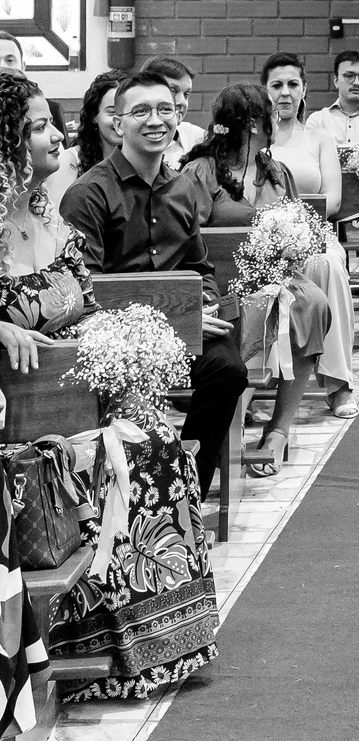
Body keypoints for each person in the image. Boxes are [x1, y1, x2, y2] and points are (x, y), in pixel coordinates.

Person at [0, 74, 219, 701]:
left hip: (76, 390)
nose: (57, 135)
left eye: (52, 122)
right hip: (28, 412)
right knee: (130, 456)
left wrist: (126, 348)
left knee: (157, 445)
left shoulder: (45, 215)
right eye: (38, 126)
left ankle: (155, 646)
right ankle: (91, 645)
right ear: (6, 143)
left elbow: (88, 302)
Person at [59, 69, 248, 502]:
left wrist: (205, 305)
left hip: (184, 334)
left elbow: (200, 267)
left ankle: (188, 490)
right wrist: (177, 321)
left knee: (228, 371)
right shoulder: (88, 193)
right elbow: (86, 289)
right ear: (118, 122)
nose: (156, 120)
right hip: (114, 340)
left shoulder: (181, 187)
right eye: (141, 111)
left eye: (165, 109)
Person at [183, 85, 333, 475]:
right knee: (242, 312)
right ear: (251, 124)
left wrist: (293, 244)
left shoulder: (276, 172)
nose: (274, 122)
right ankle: (227, 423)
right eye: (268, 116)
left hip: (277, 276)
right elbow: (186, 238)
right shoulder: (201, 171)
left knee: (314, 303)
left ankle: (279, 428)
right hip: (222, 283)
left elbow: (298, 221)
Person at [260, 52, 358, 419]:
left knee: (328, 264)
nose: (284, 93)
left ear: (304, 90)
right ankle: (253, 382)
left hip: (313, 234)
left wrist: (295, 226)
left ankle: (338, 383)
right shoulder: (255, 139)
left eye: (292, 84)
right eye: (276, 85)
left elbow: (332, 198)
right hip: (262, 239)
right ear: (264, 90)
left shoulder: (319, 138)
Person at [43, 68, 125, 208]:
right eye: (112, 112)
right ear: (94, 115)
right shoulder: (68, 162)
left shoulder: (144, 162)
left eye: (128, 112)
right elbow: (58, 217)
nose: (120, 121)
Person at [148, 57, 206, 160]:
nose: (182, 102)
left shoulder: (198, 139)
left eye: (186, 94)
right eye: (173, 90)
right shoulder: (128, 137)